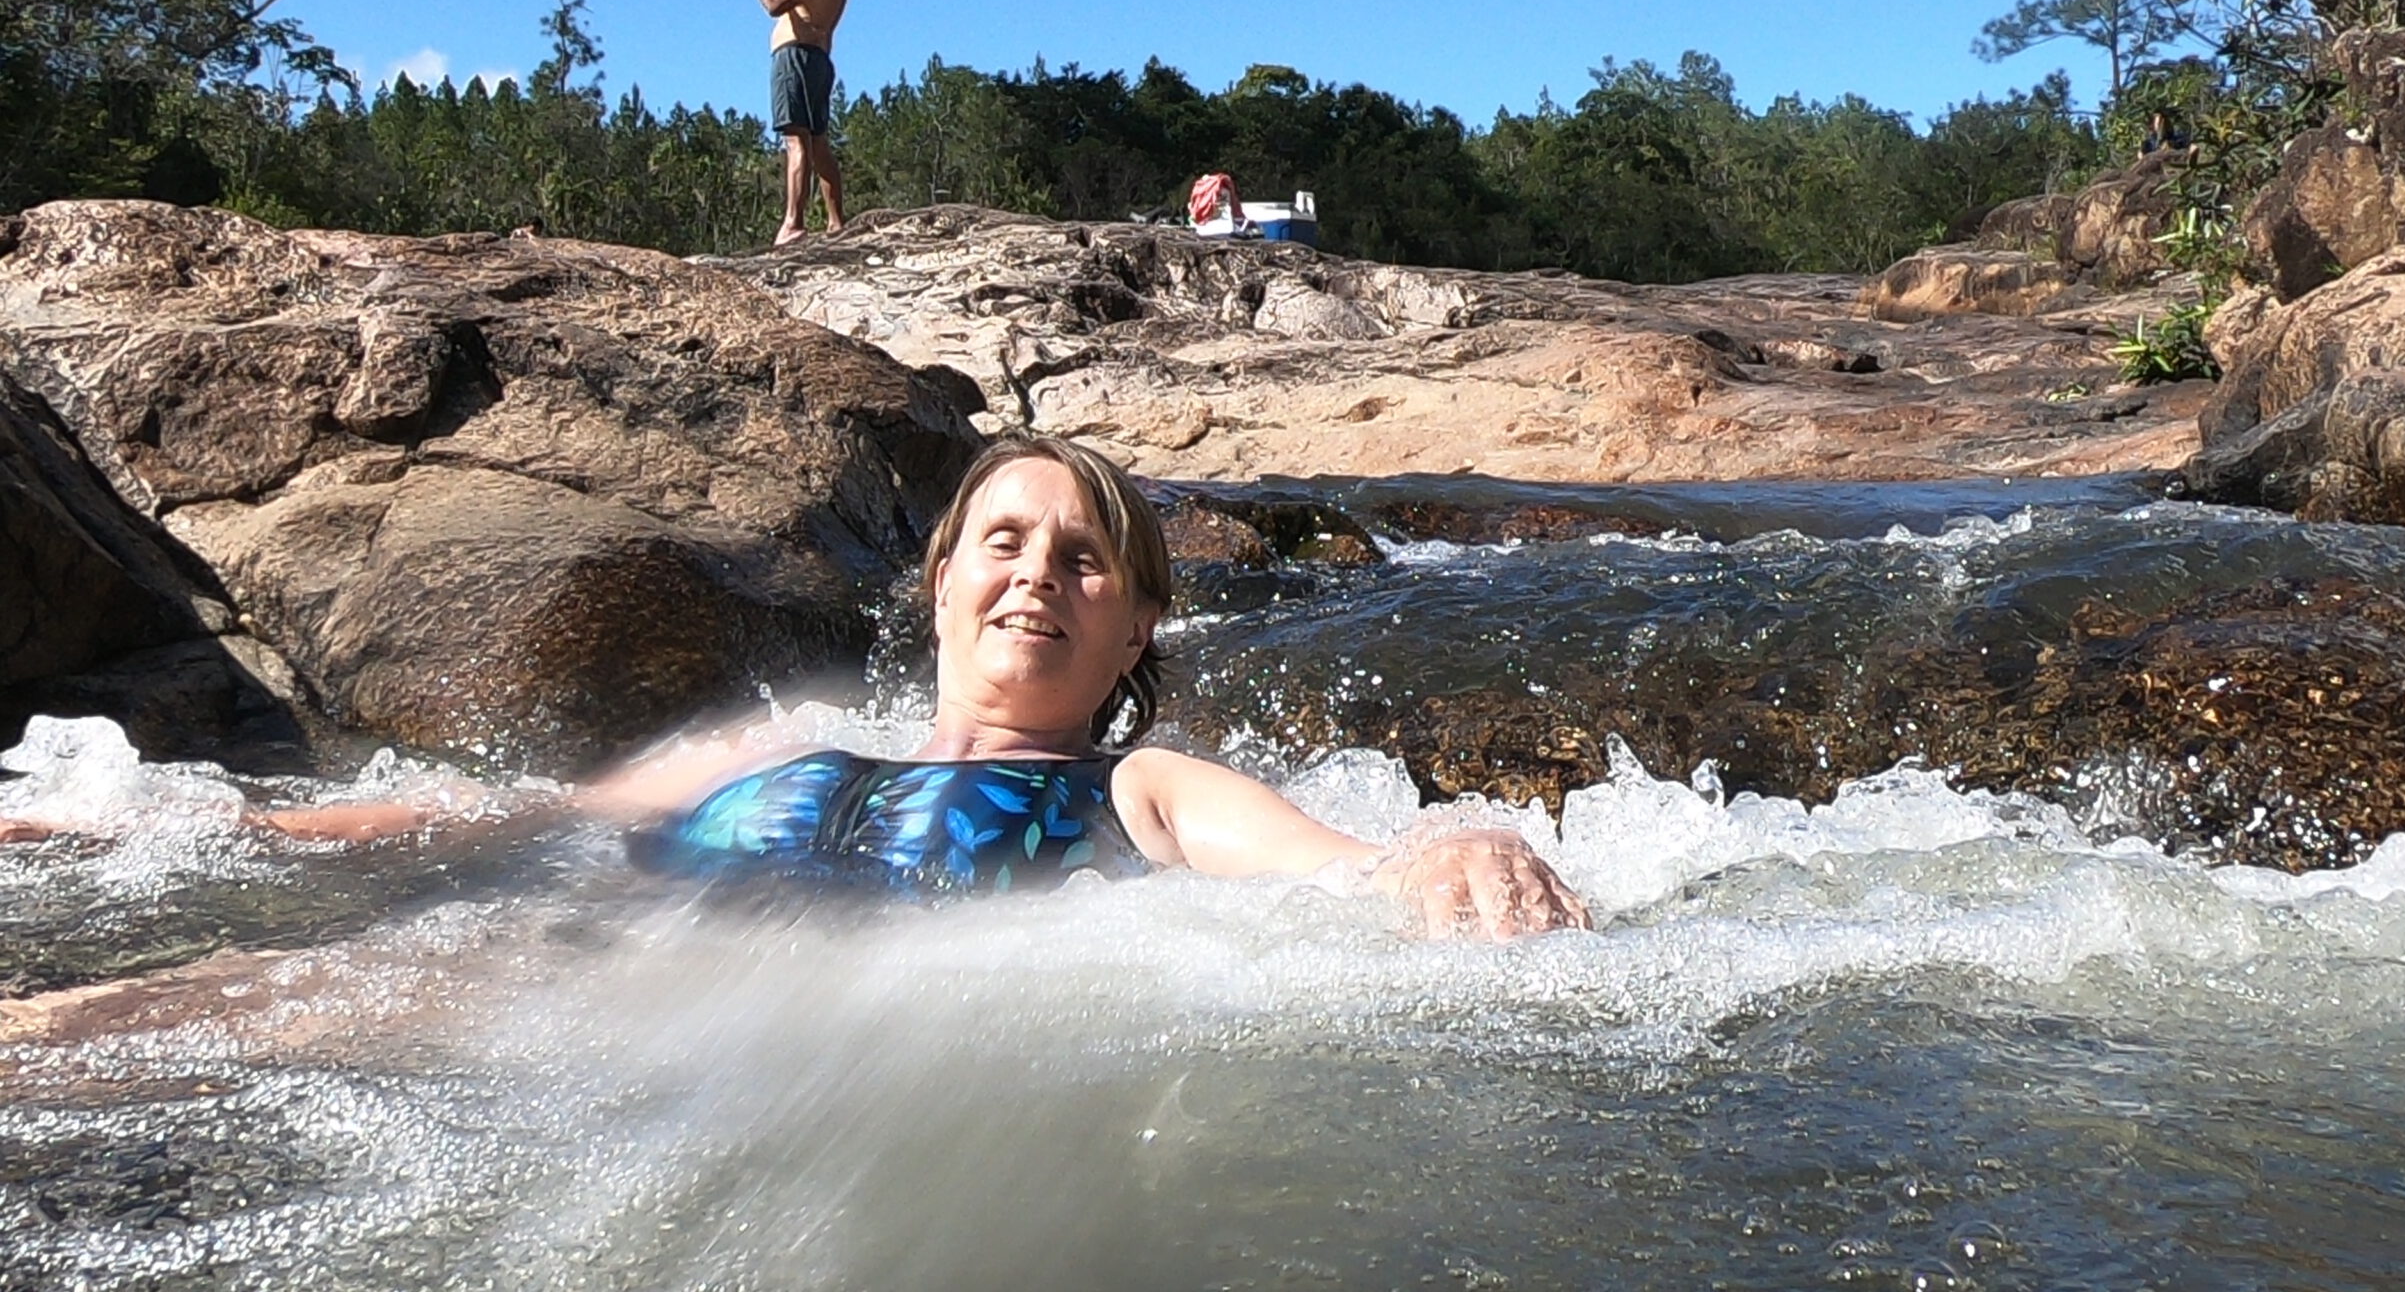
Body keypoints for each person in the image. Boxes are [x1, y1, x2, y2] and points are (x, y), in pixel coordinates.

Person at [5, 439, 1589, 941]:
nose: (1037, 576)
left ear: (1137, 630)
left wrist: (1455, 850)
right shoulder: (790, 742)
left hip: (752, 1056)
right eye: (1003, 542)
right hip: (556, 982)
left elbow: (1350, 868)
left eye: (1087, 560)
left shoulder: (1140, 786)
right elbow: (516, 815)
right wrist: (192, 826)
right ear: (942, 580)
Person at [743, 0, 849, 243]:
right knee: (817, 142)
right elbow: (795, 4)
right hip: (814, 59)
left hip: (796, 58)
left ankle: (793, 224)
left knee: (796, 139)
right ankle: (836, 222)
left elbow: (775, 5)